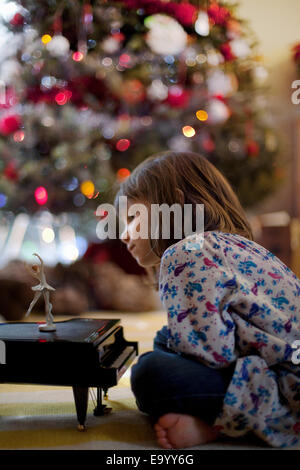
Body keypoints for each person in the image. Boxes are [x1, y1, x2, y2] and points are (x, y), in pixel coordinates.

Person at [114, 150, 300, 449]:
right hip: (285, 368)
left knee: (149, 373)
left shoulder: (186, 253)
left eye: (133, 217)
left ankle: (225, 425)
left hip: (288, 391)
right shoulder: (235, 246)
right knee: (165, 338)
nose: (123, 235)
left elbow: (212, 357)